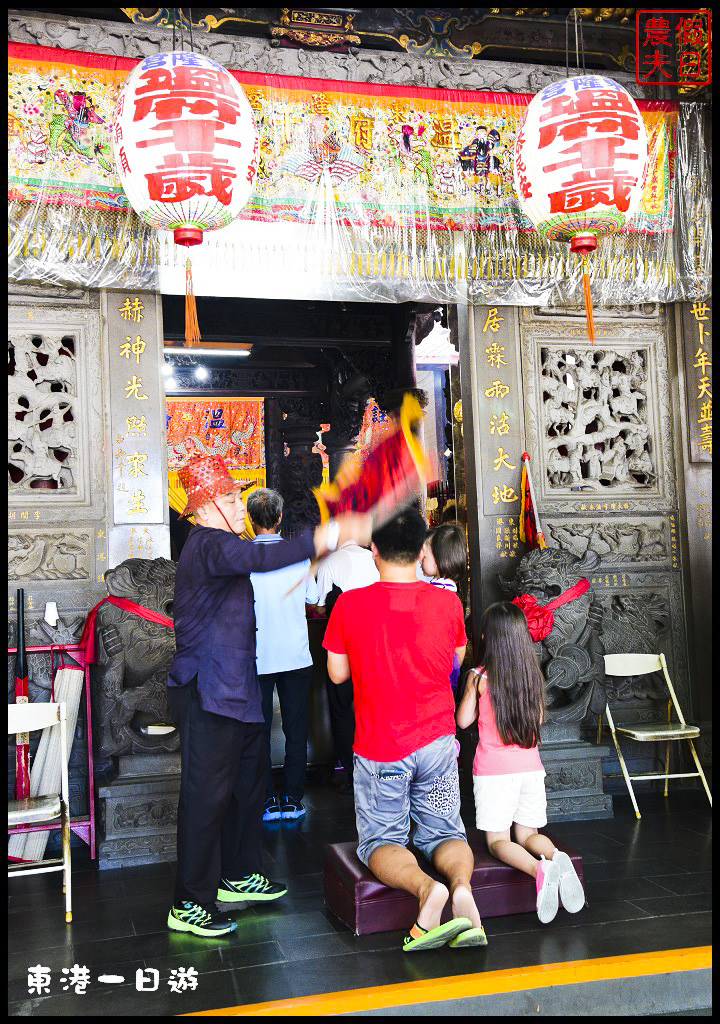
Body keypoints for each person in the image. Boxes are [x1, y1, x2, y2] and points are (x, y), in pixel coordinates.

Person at [166, 454, 371, 938]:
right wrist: (323, 536)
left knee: (247, 788)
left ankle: (236, 875)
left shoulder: (222, 544)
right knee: (205, 799)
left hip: (237, 689)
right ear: (208, 505)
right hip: (208, 691)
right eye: (234, 498)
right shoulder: (208, 544)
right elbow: (260, 555)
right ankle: (189, 902)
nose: (241, 506)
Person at [323, 508, 487, 952]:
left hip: (382, 748)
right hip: (437, 741)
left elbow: (337, 674)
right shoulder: (448, 603)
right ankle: (461, 889)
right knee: (447, 832)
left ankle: (425, 890)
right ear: (421, 551)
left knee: (381, 839)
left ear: (374, 550)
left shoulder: (351, 604)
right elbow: (454, 659)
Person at [455, 601, 586, 925]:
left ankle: (539, 869)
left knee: (499, 841)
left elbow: (462, 721)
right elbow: (539, 719)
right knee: (529, 834)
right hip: (530, 767)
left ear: (487, 637)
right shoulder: (532, 678)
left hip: (494, 772)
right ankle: (555, 856)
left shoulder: (478, 677)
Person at [246, 488, 318, 823]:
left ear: (250, 520)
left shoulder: (243, 559)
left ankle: (262, 799)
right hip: (295, 656)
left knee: (257, 730)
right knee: (296, 727)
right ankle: (291, 797)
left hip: (257, 656)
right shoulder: (297, 557)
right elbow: (315, 597)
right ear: (279, 518)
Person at [316, 539, 380, 788]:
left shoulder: (329, 562)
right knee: (372, 706)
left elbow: (319, 608)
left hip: (343, 645)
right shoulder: (374, 558)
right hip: (374, 646)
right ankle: (374, 765)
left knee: (342, 708)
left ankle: (351, 768)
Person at [421, 524, 468, 696]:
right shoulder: (452, 595)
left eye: (425, 551)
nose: (421, 557)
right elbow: (459, 647)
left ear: (441, 557)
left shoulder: (435, 595)